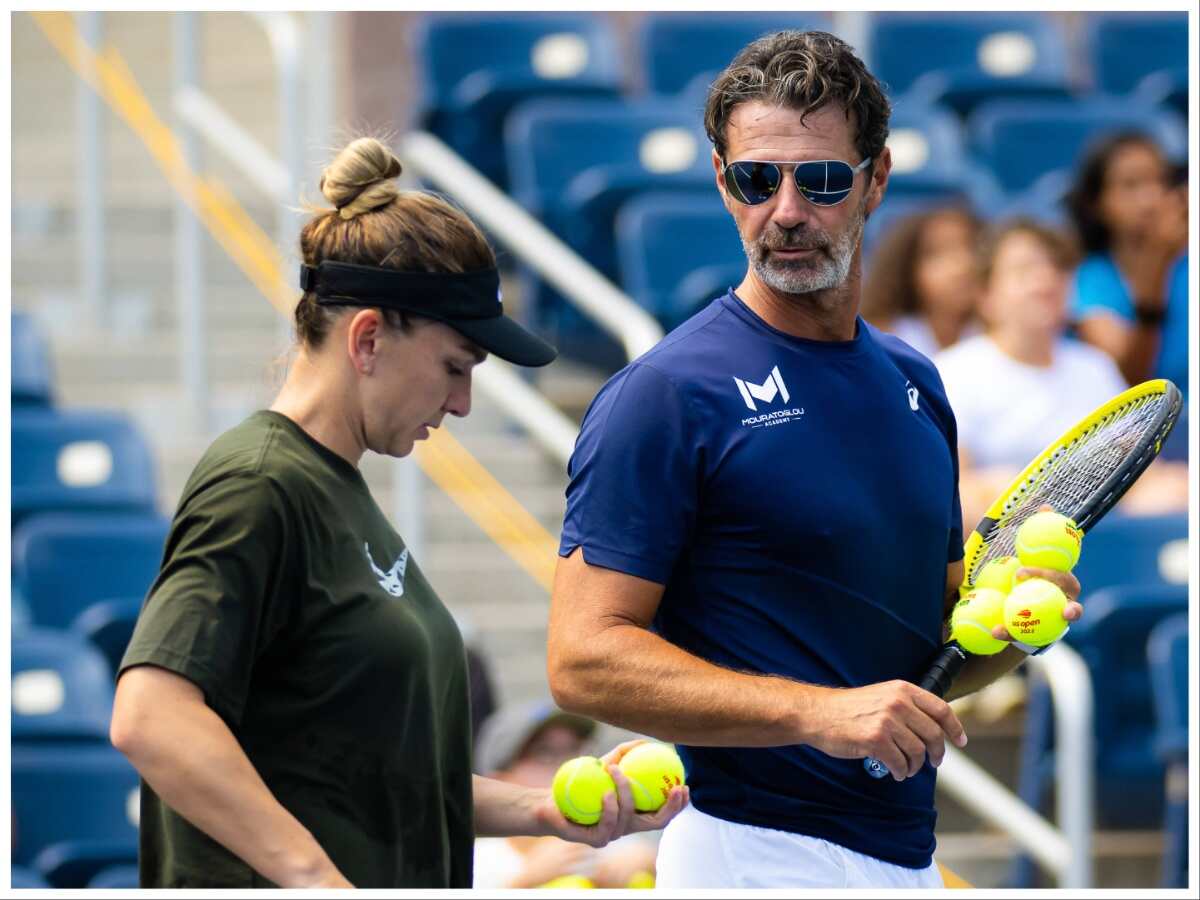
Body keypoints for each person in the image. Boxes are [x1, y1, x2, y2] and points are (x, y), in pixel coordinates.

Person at [545, 31, 1083, 890]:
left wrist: (1021, 629)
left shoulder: (916, 383)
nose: (787, 210)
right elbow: (581, 657)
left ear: (876, 180)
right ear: (725, 185)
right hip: (748, 852)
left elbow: (934, 654)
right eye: (759, 180)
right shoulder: (666, 394)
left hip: (903, 858)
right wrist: (819, 713)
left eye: (821, 179)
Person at [109, 137, 686, 889]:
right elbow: (150, 714)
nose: (462, 403)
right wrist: (318, 880)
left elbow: (370, 781)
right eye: (455, 367)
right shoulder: (258, 483)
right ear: (370, 337)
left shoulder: (340, 495)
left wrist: (544, 810)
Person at [934, 218, 1128, 530]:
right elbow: (950, 492)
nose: (1045, 280)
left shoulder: (1095, 368)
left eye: (1057, 269)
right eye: (1024, 270)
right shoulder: (952, 372)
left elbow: (1137, 475)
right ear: (986, 295)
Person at [471, 698, 659, 889]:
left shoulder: (613, 846)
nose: (569, 764)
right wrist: (523, 885)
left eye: (576, 750)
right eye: (545, 753)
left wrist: (652, 866)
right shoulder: (477, 861)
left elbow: (643, 857)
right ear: (498, 781)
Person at [1065, 132, 1188, 394]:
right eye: (1131, 185)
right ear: (1097, 203)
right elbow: (1129, 384)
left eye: (1161, 181)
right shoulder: (1088, 280)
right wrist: (1156, 264)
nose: (1150, 198)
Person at [861, 205, 983, 358]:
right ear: (908, 270)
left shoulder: (999, 339)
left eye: (971, 247)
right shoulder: (884, 343)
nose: (961, 264)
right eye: (938, 253)